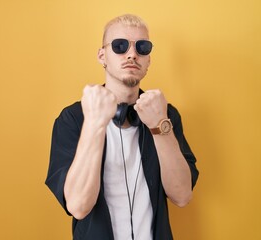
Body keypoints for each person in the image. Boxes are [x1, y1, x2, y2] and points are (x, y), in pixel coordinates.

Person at [45, 14, 199, 240]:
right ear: (102, 55)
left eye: (142, 48)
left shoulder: (165, 114)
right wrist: (95, 123)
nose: (131, 54)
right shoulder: (73, 118)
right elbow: (78, 206)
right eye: (119, 46)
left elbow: (182, 195)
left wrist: (159, 125)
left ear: (148, 61)